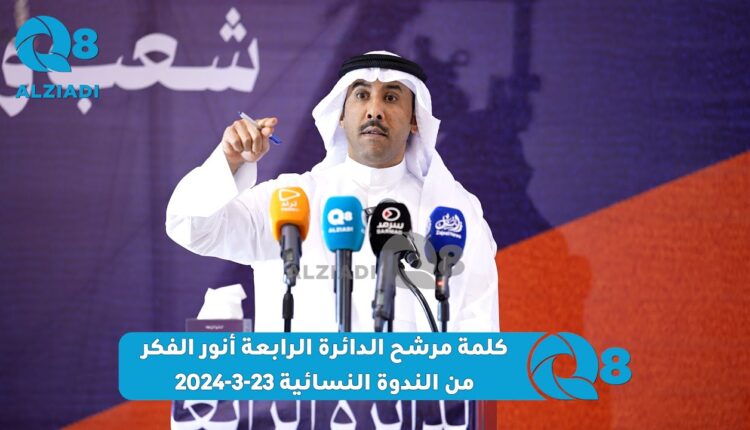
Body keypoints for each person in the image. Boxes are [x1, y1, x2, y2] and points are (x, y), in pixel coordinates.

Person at [166, 51, 499, 332]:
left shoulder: (451, 216)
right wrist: (228, 161)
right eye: (361, 95)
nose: (374, 110)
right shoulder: (289, 201)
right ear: (340, 115)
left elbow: (480, 330)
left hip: (417, 391)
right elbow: (190, 227)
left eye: (391, 97)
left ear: (415, 120)